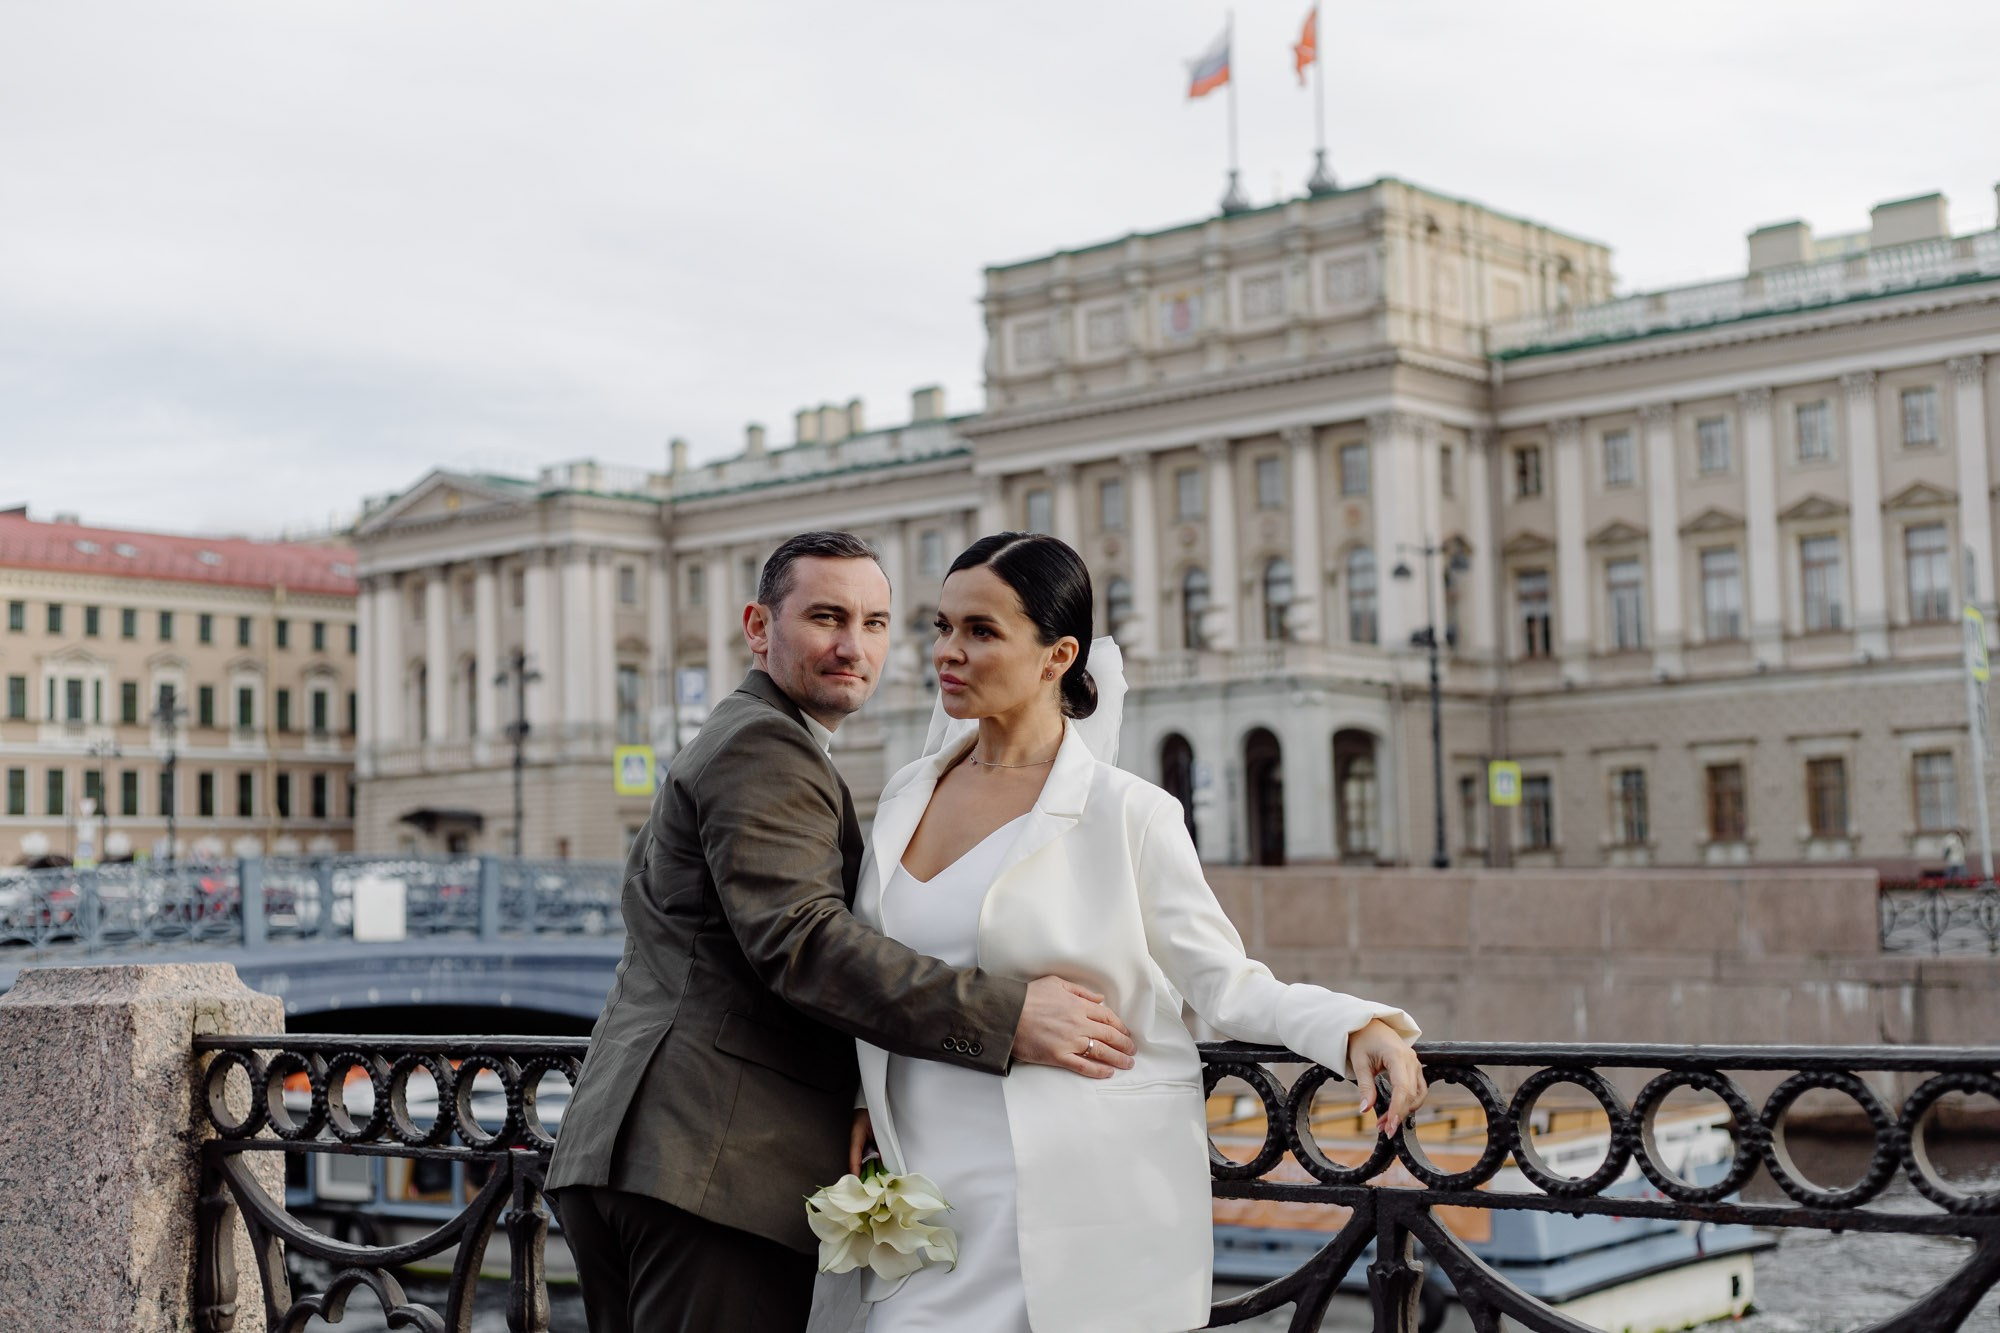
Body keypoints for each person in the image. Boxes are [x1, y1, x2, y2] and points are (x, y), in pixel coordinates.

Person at [546, 530, 1140, 1333]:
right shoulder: (767, 746)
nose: (852, 645)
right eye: (827, 617)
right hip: (710, 1166)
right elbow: (804, 944)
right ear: (759, 627)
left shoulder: (752, 739)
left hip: (658, 1157)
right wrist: (1010, 1015)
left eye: (876, 622)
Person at [836, 533, 1426, 1333]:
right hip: (921, 1196)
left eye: (981, 631)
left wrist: (1353, 1026)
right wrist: (858, 1089)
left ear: (1058, 655)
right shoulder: (907, 791)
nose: (948, 651)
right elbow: (873, 970)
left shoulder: (1129, 811)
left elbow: (1222, 979)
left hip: (1075, 1200)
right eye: (940, 627)